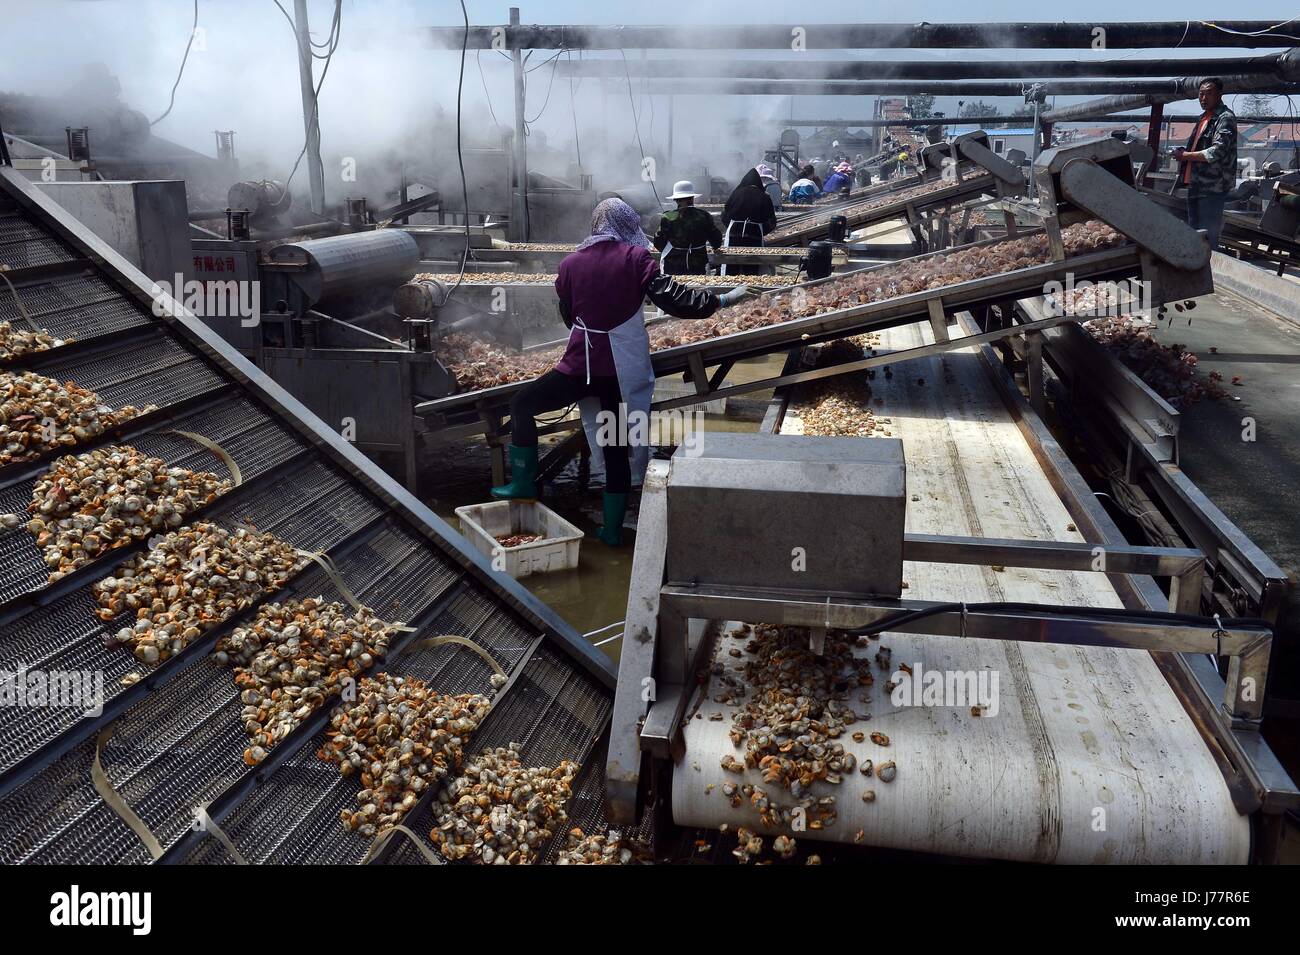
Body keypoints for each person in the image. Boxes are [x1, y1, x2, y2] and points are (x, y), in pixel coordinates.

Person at [491, 199, 752, 545]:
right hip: (620, 372)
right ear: (627, 224)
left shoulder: (570, 264)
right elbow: (674, 300)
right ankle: (611, 531)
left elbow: (568, 316)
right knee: (617, 447)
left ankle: (523, 482)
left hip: (580, 367)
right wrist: (720, 301)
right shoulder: (637, 259)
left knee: (523, 405)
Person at [1174, 77, 1237, 250]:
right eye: (1201, 94)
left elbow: (1217, 151)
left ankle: (1209, 272)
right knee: (1195, 234)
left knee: (1207, 236)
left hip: (1212, 186)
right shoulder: (1204, 118)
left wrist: (1185, 155)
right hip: (1196, 184)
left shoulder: (1225, 118)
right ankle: (1195, 272)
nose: (1203, 98)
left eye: (1209, 94)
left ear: (1220, 95)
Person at [652, 180, 722, 275]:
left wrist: (674, 249)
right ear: (692, 198)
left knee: (675, 287)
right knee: (699, 287)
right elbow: (716, 239)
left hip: (674, 263)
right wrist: (715, 246)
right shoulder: (704, 215)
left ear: (676, 200)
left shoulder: (668, 217)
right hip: (699, 262)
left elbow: (658, 241)